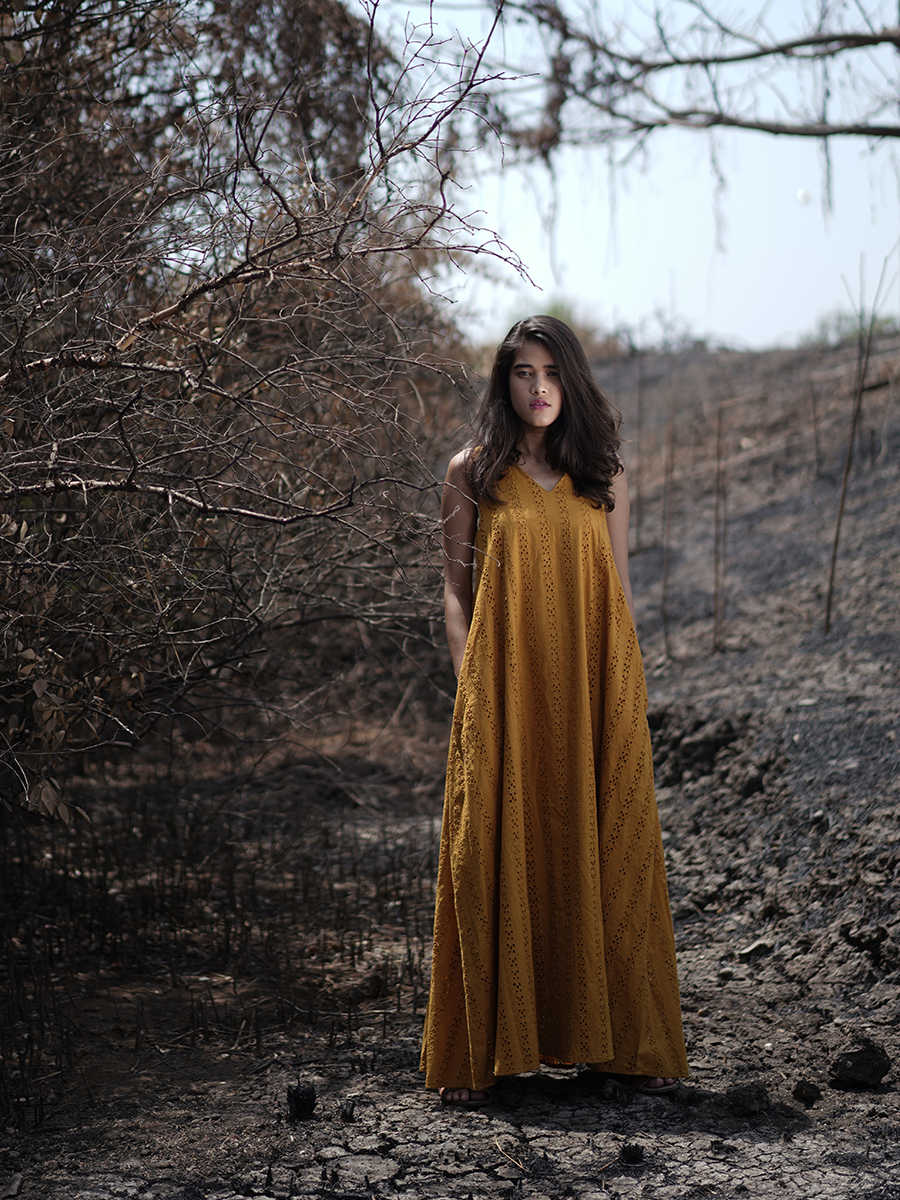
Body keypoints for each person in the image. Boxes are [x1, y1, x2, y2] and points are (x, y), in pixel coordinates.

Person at [419, 315, 688, 1107]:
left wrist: (626, 692)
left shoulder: (603, 475)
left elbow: (619, 592)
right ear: (503, 384)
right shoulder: (470, 472)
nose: (538, 390)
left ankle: (614, 1046)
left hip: (593, 683)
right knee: (490, 846)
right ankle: (485, 1051)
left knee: (608, 843)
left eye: (551, 373)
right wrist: (470, 687)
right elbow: (454, 591)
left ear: (572, 381)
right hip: (501, 689)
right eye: (522, 374)